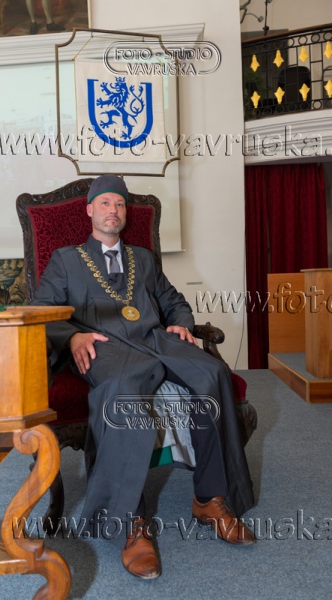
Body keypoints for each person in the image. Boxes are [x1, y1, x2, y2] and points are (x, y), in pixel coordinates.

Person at [33, 175, 255, 580]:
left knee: (211, 373)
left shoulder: (144, 259)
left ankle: (210, 498)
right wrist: (73, 336)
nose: (113, 210)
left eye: (119, 204)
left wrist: (182, 322)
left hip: (155, 340)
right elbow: (41, 310)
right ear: (90, 210)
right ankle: (130, 523)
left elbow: (173, 300)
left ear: (125, 213)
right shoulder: (66, 260)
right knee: (122, 392)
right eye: (105, 203)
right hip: (104, 346)